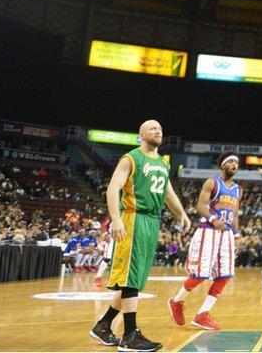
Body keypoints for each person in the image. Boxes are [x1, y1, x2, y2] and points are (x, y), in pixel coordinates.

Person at [89, 120, 192, 352]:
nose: (158, 130)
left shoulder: (163, 165)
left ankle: (103, 326)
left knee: (135, 279)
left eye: (161, 129)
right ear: (142, 134)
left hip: (151, 222)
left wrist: (182, 214)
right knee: (130, 278)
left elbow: (169, 193)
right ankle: (129, 336)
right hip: (133, 218)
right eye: (153, 128)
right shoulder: (131, 158)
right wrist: (116, 219)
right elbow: (113, 188)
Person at [169, 153, 242, 331]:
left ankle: (202, 314)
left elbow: (234, 214)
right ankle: (176, 301)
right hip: (209, 231)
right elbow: (200, 206)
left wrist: (237, 235)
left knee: (225, 275)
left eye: (236, 162)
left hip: (227, 235)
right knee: (200, 274)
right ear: (222, 166)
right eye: (230, 162)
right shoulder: (212, 182)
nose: (234, 164)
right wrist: (213, 219)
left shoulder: (238, 189)